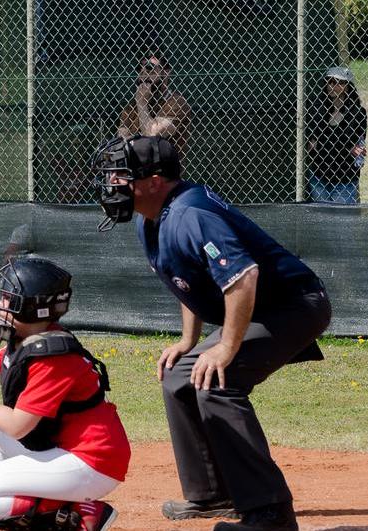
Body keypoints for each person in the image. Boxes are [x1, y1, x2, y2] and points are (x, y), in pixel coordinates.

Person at [92, 135, 332, 531]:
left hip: (293, 305)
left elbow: (243, 277)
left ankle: (270, 513)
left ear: (154, 181)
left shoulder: (190, 214)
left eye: (121, 175)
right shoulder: (151, 220)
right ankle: (211, 493)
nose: (112, 183)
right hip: (262, 306)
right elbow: (189, 279)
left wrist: (226, 348)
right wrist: (189, 342)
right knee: (179, 375)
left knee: (218, 381)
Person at [0, 256, 131, 531]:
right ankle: (66, 503)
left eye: (8, 300)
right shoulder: (30, 338)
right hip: (67, 448)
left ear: (33, 309)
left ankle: (81, 512)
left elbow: (18, 425)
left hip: (93, 461)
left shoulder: (51, 358)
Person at [307, 66, 367, 204]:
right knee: (321, 220)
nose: (332, 85)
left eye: (338, 82)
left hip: (344, 177)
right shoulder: (317, 107)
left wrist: (322, 143)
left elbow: (352, 142)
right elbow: (312, 142)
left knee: (341, 220)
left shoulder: (357, 113)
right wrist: (346, 147)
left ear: (347, 86)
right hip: (319, 175)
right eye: (329, 81)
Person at [117, 55, 191, 161]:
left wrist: (142, 103)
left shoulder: (177, 102)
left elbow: (151, 136)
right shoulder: (131, 108)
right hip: (133, 170)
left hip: (163, 172)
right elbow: (121, 142)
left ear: (166, 73)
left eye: (150, 69)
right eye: (140, 71)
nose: (143, 76)